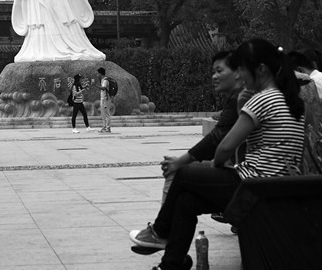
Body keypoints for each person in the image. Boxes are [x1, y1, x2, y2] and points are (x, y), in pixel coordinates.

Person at [129, 39, 306, 270]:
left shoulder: (262, 99)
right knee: (186, 202)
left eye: (242, 68)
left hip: (253, 186)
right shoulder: (292, 101)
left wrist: (216, 164)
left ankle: (160, 232)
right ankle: (170, 265)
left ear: (261, 69)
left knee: (184, 174)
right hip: (274, 184)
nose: (240, 75)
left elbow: (225, 146)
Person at [160, 51, 242, 203]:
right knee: (186, 202)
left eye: (219, 71)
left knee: (179, 172)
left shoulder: (241, 98)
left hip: (247, 178)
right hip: (245, 173)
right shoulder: (239, 97)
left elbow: (218, 138)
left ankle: (160, 227)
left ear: (238, 72)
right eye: (213, 72)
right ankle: (164, 226)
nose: (214, 77)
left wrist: (180, 162)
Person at [97, 67, 113, 133]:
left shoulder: (105, 80)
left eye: (98, 73)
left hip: (106, 99)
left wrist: (95, 85)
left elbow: (103, 88)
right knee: (103, 113)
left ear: (100, 73)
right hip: (103, 98)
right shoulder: (103, 80)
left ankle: (108, 128)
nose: (97, 75)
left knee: (106, 113)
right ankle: (104, 127)